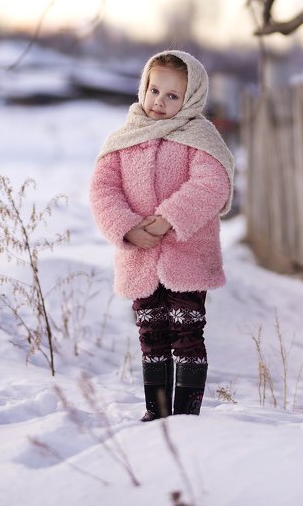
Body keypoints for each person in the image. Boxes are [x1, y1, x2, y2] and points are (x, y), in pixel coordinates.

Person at [89, 50, 235, 421]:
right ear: (144, 86)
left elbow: (211, 185)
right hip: (139, 257)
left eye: (173, 96)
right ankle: (157, 411)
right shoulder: (124, 138)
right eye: (155, 90)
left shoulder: (200, 137)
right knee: (151, 337)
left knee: (187, 334)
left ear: (192, 98)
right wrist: (126, 228)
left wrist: (168, 218)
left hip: (187, 255)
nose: (160, 101)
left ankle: (185, 415)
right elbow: (103, 190)